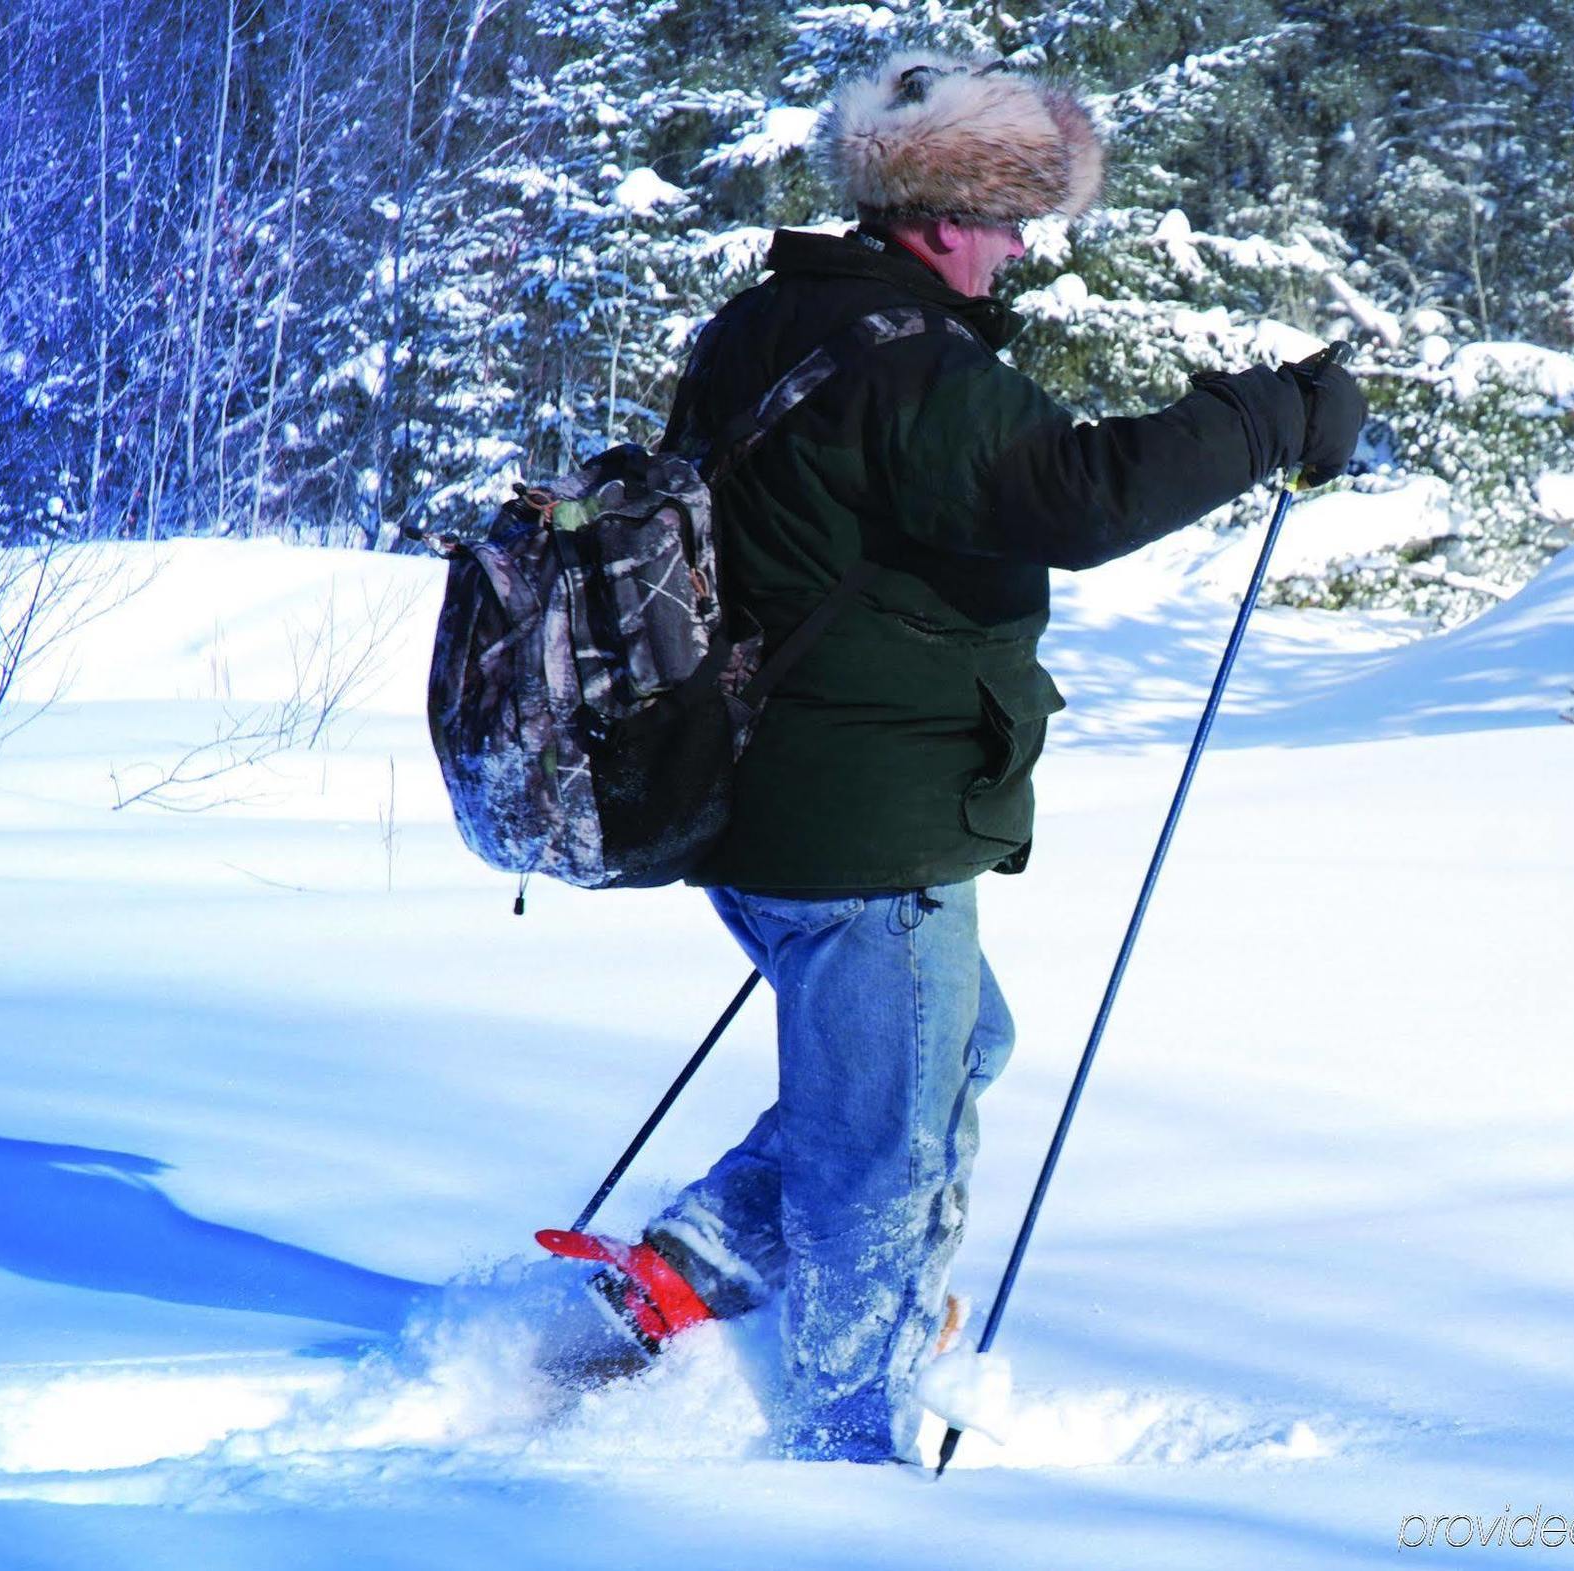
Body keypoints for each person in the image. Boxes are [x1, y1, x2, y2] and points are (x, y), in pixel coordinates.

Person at [571, 51, 1366, 1464]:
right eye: (1006, 219)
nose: (1017, 250)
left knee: (957, 1048)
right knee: (883, 1147)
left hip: (763, 802)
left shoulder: (772, 321)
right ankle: (843, 1445)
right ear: (939, 212)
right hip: (866, 826)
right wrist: (1264, 422)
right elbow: (1075, 494)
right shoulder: (905, 365)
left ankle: (698, 1264)